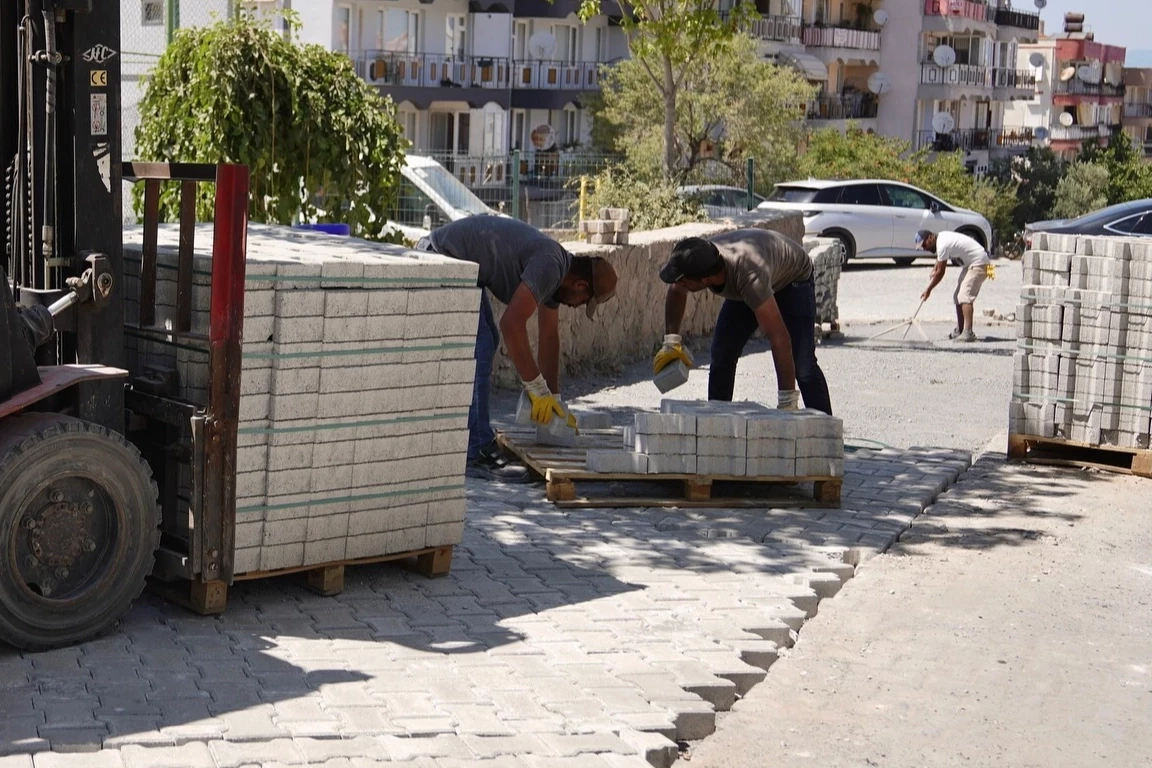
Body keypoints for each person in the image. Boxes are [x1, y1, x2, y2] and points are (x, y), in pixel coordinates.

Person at [417, 216, 618, 480]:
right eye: (585, 301)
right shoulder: (550, 267)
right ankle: (475, 451)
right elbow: (512, 324)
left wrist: (554, 400)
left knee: (486, 341)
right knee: (481, 345)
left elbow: (549, 338)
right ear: (580, 285)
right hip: (439, 258)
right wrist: (536, 389)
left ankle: (469, 440)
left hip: (455, 262)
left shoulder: (558, 273)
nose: (579, 306)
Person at [653, 229, 832, 415]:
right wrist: (671, 342)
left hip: (792, 280)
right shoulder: (699, 257)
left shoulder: (749, 276)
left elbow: (780, 338)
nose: (679, 285)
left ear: (706, 279)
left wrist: (786, 402)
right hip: (756, 276)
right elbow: (676, 290)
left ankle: (827, 435)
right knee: (722, 355)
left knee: (803, 366)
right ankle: (717, 423)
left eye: (683, 282)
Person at [915, 229, 993, 343]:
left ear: (931, 237)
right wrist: (935, 268)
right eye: (922, 247)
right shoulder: (941, 239)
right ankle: (961, 330)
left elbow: (941, 273)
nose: (924, 248)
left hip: (981, 264)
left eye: (924, 244)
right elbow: (940, 261)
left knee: (964, 296)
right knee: (957, 297)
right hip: (972, 264)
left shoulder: (942, 244)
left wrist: (928, 290)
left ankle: (968, 332)